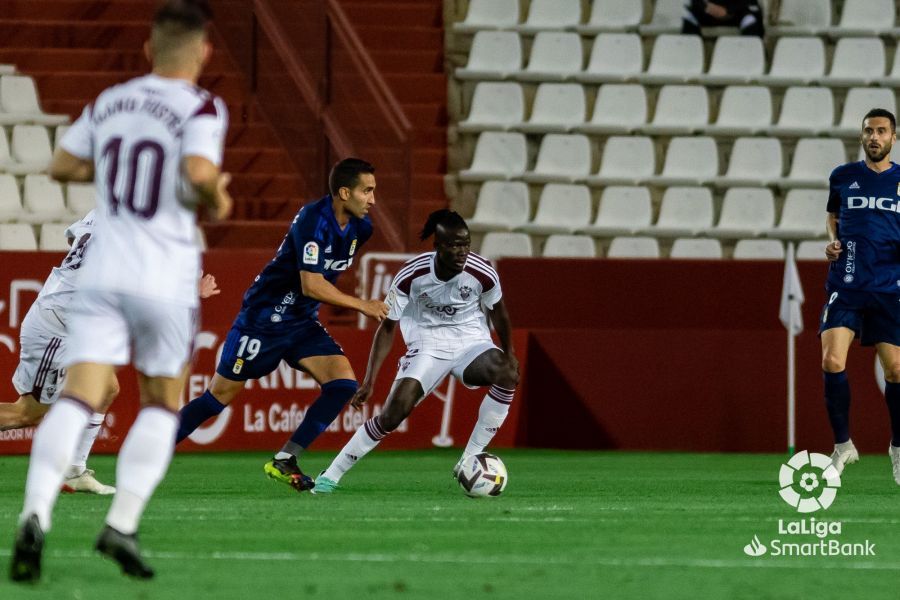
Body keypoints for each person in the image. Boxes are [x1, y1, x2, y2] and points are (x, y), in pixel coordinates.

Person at [10, 0, 231, 582]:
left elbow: (60, 166)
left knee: (80, 395)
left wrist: (110, 171)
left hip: (102, 274)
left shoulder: (111, 101)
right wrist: (218, 198)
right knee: (162, 403)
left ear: (145, 50)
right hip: (161, 272)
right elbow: (202, 178)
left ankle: (35, 514)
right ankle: (121, 524)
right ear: (203, 52)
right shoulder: (203, 106)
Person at [174, 157, 389, 491]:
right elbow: (311, 285)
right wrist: (363, 305)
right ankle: (149, 453)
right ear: (345, 192)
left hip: (301, 321)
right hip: (263, 319)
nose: (373, 199)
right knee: (217, 399)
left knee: (343, 383)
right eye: (367, 191)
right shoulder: (313, 220)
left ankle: (285, 458)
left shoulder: (362, 229)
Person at [0, 210, 221, 496]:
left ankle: (74, 472)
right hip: (57, 327)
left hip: (71, 319)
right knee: (27, 414)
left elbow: (75, 238)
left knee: (107, 388)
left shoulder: (103, 213)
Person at [312, 209, 519, 493]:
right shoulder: (412, 275)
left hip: (470, 340)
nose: (462, 252)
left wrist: (510, 353)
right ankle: (330, 475)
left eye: (466, 244)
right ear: (437, 246)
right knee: (393, 414)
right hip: (427, 344)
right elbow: (387, 327)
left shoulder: (482, 271)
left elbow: (500, 313)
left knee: (506, 372)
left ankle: (470, 457)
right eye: (454, 245)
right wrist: (370, 380)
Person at [821, 107, 900, 485]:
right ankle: (843, 445)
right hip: (847, 283)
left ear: (893, 138)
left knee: (896, 370)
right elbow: (833, 216)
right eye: (869, 130)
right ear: (861, 136)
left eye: (881, 131)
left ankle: (898, 448)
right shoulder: (842, 177)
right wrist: (832, 241)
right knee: (832, 360)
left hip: (889, 286)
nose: (874, 136)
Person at [682, 1, 765, 37]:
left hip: (736, 14)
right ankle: (690, 61)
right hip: (709, 13)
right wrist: (706, 7)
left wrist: (728, 11)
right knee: (689, 18)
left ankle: (749, 61)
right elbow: (695, 2)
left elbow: (751, 3)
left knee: (750, 20)